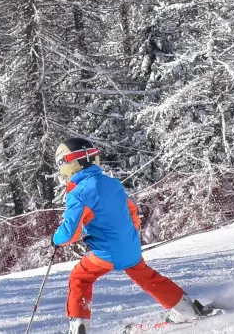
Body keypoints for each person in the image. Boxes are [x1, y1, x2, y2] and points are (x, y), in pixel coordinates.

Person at [51, 138, 212, 334]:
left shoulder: (78, 194)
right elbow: (132, 211)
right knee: (145, 276)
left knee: (80, 278)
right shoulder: (112, 183)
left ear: (70, 165)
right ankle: (184, 307)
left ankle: (79, 327)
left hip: (104, 253)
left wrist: (55, 240)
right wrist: (127, 235)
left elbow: (69, 232)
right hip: (130, 246)